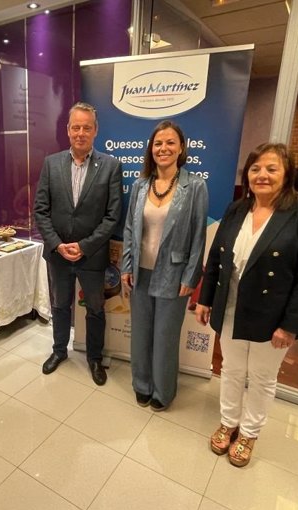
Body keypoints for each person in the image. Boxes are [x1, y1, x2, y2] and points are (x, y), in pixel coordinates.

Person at [195, 143, 298, 467]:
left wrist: (291, 324)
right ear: (247, 174)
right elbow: (216, 259)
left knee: (263, 377)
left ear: (287, 174)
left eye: (271, 169)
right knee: (231, 369)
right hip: (230, 308)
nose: (262, 175)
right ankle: (228, 422)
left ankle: (249, 432)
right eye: (255, 169)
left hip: (274, 315)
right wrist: (205, 299)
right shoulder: (236, 209)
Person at [121, 120, 208, 411]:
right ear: (151, 149)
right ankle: (141, 384)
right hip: (140, 272)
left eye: (170, 142)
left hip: (174, 273)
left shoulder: (194, 186)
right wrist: (126, 266)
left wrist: (191, 275)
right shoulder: (139, 185)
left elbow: (198, 235)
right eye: (158, 143)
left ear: (181, 148)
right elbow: (129, 230)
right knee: (141, 332)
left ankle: (163, 391)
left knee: (165, 337)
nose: (164, 148)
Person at [34, 102, 122, 385]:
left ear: (95, 131)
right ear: (68, 130)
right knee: (60, 306)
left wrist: (84, 246)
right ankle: (59, 351)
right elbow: (41, 210)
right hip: (58, 254)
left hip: (92, 256)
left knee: (96, 310)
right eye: (76, 127)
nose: (80, 132)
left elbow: (112, 217)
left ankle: (95, 359)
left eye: (86, 127)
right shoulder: (51, 163)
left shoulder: (110, 166)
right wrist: (57, 244)